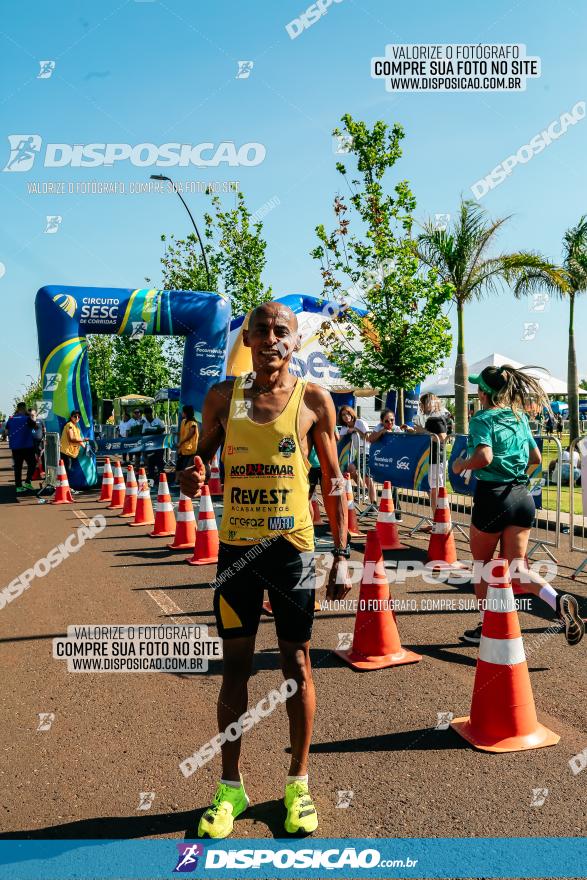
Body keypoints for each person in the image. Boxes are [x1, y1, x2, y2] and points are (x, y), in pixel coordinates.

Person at [179, 301, 350, 840]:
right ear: (247, 339)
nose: (272, 338)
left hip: (293, 553)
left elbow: (334, 480)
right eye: (262, 330)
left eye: (283, 331)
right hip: (237, 555)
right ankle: (230, 787)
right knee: (235, 668)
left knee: (297, 664)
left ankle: (298, 783)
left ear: (295, 342)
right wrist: (190, 471)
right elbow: (196, 458)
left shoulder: (313, 400)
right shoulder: (222, 399)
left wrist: (342, 554)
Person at [452, 364, 584, 647]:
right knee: (517, 569)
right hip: (521, 497)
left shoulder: (481, 419)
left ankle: (488, 627)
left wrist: (462, 464)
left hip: (492, 497)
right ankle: (557, 600)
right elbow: (535, 457)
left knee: (482, 568)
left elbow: (484, 457)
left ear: (483, 392)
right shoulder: (519, 416)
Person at [406, 393, 448, 527]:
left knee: (436, 491)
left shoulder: (436, 418)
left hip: (436, 459)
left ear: (429, 403)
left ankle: (442, 522)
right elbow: (430, 435)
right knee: (433, 491)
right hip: (431, 458)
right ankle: (438, 520)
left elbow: (441, 438)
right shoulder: (432, 418)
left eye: (422, 404)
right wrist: (414, 431)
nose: (420, 407)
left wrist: (422, 431)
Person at [368, 409, 403, 520]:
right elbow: (370, 439)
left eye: (392, 420)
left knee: (391, 485)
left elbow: (404, 441)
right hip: (384, 461)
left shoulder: (396, 428)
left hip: (395, 461)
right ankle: (390, 511)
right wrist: (382, 432)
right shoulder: (379, 427)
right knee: (387, 485)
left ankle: (396, 513)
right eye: (386, 421)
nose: (389, 423)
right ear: (382, 421)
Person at [338, 405, 376, 505]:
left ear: (352, 414)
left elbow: (368, 438)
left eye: (348, 414)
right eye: (343, 415)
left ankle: (373, 503)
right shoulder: (344, 427)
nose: (346, 416)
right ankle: (363, 491)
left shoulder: (360, 422)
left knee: (367, 478)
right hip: (359, 454)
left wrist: (356, 430)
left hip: (368, 452)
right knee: (351, 469)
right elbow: (339, 440)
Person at [3, 402, 37, 493]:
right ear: (24, 408)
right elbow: (36, 427)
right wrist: (31, 416)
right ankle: (27, 481)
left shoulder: (11, 419)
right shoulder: (27, 418)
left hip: (15, 447)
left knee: (18, 467)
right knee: (32, 464)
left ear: (17, 409)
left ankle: (18, 486)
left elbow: (5, 432)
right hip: (27, 446)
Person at [60, 411, 88, 475]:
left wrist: (85, 448)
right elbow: (71, 439)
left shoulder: (76, 428)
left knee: (67, 471)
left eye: (79, 417)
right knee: (65, 471)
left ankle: (64, 484)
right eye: (75, 416)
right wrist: (83, 440)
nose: (77, 418)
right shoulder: (69, 425)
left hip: (72, 453)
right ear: (71, 417)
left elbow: (78, 440)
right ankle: (61, 484)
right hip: (66, 452)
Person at [142, 406, 165, 480]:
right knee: (150, 464)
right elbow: (143, 434)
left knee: (159, 462)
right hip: (150, 447)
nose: (147, 416)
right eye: (146, 415)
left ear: (151, 414)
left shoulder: (158, 421)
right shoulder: (145, 424)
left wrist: (156, 430)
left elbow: (163, 429)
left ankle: (161, 480)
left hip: (158, 446)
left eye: (148, 414)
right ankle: (151, 482)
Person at [176, 404, 199, 474]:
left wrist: (181, 442)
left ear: (186, 413)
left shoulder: (193, 423)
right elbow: (182, 433)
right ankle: (178, 480)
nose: (182, 413)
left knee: (186, 466)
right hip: (182, 449)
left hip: (190, 449)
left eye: (183, 412)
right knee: (179, 465)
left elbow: (191, 434)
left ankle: (184, 480)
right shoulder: (183, 422)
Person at [29, 408, 45, 476]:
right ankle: (35, 472)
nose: (31, 416)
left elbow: (44, 430)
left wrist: (44, 438)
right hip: (30, 442)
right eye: (30, 415)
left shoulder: (40, 421)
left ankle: (41, 471)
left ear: (36, 414)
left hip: (39, 442)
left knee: (40, 457)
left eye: (33, 414)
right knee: (33, 458)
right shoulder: (28, 422)